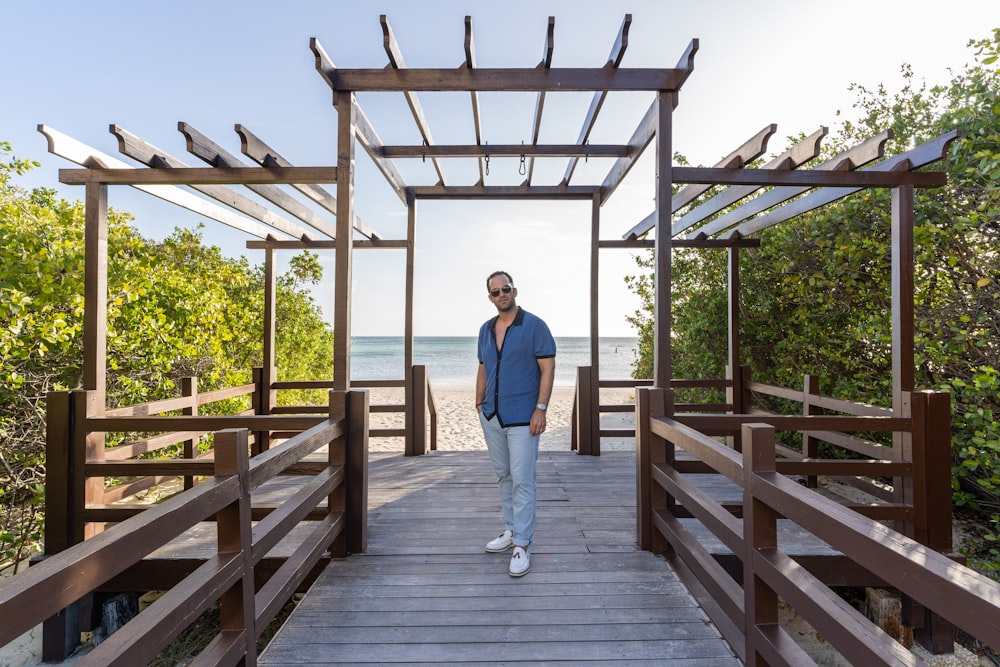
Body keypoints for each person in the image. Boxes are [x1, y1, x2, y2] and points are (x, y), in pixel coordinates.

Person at [475, 270, 555, 577]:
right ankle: (510, 530)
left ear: (515, 290)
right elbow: (483, 366)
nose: (501, 294)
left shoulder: (535, 326)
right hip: (492, 415)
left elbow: (547, 370)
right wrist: (478, 400)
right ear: (490, 298)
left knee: (523, 479)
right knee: (504, 476)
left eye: (505, 288)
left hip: (524, 417)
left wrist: (541, 409)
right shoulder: (485, 329)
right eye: (495, 291)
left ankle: (522, 543)